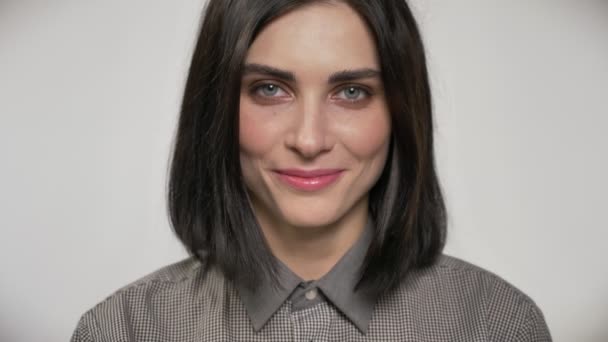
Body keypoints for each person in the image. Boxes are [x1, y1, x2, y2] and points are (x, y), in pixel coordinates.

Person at [71, 0, 552, 341]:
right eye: (269, 89)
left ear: (402, 114)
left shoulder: (498, 325)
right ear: (217, 110)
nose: (309, 139)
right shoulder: (123, 330)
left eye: (351, 93)